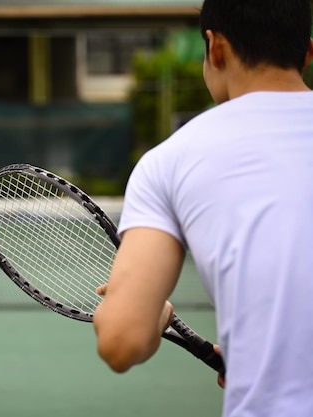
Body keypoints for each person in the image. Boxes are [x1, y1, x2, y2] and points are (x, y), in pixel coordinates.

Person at [92, 0, 313, 416]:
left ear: (215, 49)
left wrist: (156, 312)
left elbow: (122, 341)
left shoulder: (169, 161)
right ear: (308, 53)